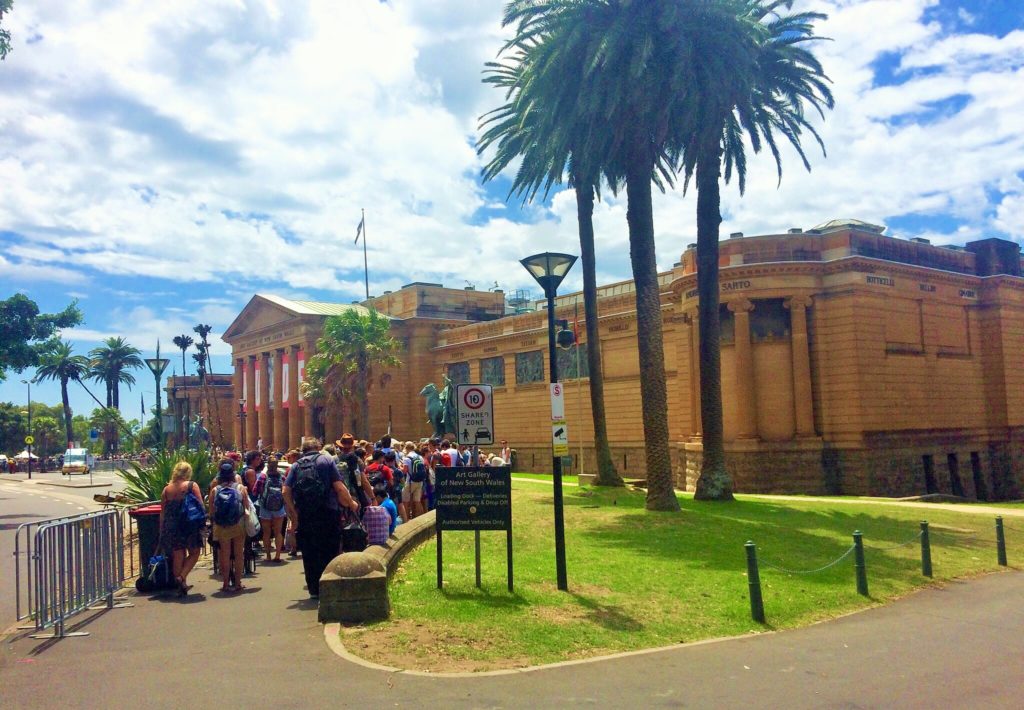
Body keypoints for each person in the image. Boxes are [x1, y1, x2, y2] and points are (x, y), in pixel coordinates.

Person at [283, 437, 359, 599]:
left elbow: (285, 491)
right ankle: (329, 585)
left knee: (310, 552)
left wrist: (293, 514)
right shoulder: (327, 460)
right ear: (318, 447)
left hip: (305, 515)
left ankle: (314, 590)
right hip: (328, 512)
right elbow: (339, 487)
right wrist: (351, 503)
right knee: (329, 549)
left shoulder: (296, 465)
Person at [159, 461, 205, 597]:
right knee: (195, 552)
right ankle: (181, 577)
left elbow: (163, 512)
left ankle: (181, 584)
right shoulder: (191, 486)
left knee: (178, 554)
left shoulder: (167, 489)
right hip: (189, 524)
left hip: (172, 525)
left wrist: (161, 529)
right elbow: (200, 505)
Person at [209, 460, 252, 593]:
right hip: (238, 524)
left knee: (225, 554)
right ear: (233, 475)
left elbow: (211, 511)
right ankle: (238, 583)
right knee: (239, 554)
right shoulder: (240, 488)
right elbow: (247, 507)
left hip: (222, 525)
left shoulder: (215, 490)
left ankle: (226, 584)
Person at [257, 456, 287, 564]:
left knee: (266, 532)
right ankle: (278, 555)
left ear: (268, 465)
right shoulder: (282, 477)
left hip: (265, 506)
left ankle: (268, 555)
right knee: (278, 532)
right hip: (279, 507)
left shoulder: (263, 477)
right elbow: (285, 491)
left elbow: (256, 490)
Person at [402, 442, 426, 519]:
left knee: (405, 501)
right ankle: (422, 519)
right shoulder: (420, 457)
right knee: (417, 501)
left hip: (410, 481)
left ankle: (407, 520)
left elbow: (405, 471)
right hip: (420, 481)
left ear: (406, 448)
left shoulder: (407, 458)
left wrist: (400, 467)